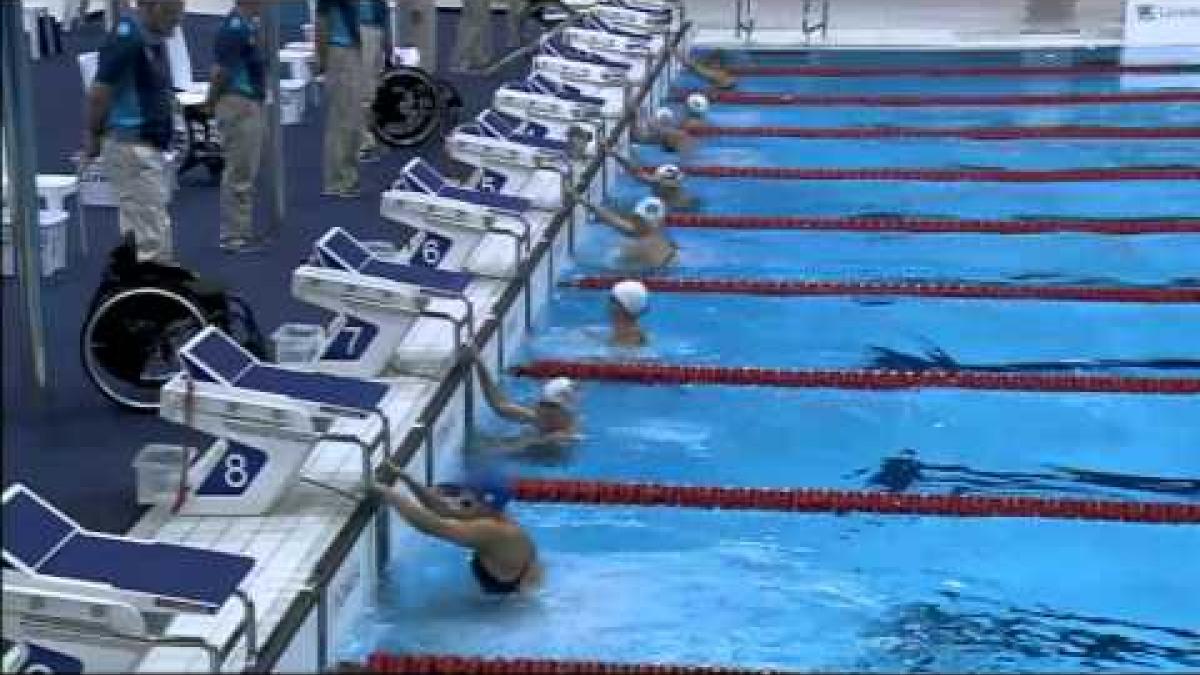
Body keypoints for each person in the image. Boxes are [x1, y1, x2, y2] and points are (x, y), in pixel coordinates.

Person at [83, 0, 184, 264]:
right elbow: (99, 93)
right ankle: (152, 296)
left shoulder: (151, 37)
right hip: (132, 147)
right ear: (153, 6)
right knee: (150, 238)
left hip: (146, 145)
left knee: (144, 227)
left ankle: (144, 292)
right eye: (172, 14)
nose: (177, 21)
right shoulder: (128, 38)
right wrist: (93, 137)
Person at [376, 472, 543, 595]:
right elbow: (442, 509)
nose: (458, 504)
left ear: (486, 506)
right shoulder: (493, 517)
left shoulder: (492, 531)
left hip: (510, 614)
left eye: (466, 502)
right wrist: (406, 478)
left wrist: (389, 495)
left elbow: (432, 526)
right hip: (508, 598)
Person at [206, 0, 266, 254]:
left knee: (246, 169)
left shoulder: (247, 26)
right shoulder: (234, 29)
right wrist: (210, 102)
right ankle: (233, 236)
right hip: (237, 103)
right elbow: (221, 72)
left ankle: (241, 230)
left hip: (247, 101)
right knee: (239, 170)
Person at [473, 349, 581, 451]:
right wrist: (478, 361)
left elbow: (510, 447)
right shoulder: (538, 419)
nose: (547, 413)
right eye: (545, 406)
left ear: (565, 413)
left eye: (553, 408)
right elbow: (500, 405)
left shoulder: (562, 436)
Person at [317, 0, 362, 197]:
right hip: (340, 53)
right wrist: (323, 60)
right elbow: (321, 22)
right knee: (345, 121)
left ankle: (339, 178)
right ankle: (341, 180)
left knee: (345, 120)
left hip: (348, 50)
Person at [569, 190, 678, 270]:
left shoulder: (641, 246)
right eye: (635, 218)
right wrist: (583, 201)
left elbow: (611, 266)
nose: (634, 221)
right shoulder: (654, 232)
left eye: (638, 219)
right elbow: (615, 221)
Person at [358, 0, 389, 162]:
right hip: (360, 28)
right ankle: (360, 143)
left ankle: (369, 137)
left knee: (373, 87)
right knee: (363, 89)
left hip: (376, 26)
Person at [609, 279, 649, 346]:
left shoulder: (628, 343)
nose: (608, 305)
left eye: (612, 301)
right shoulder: (620, 334)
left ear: (620, 308)